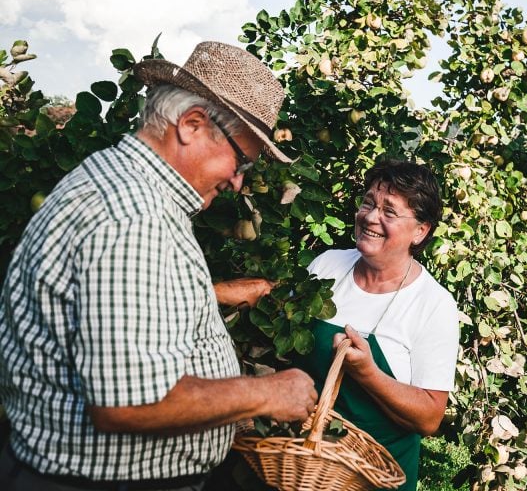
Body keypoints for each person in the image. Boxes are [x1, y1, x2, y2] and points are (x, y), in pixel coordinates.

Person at [0, 41, 318, 491]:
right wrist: (268, 392)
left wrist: (216, 294)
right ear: (191, 125)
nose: (238, 180)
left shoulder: (120, 183)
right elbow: (130, 403)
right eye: (241, 159)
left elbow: (113, 306)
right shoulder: (135, 216)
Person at [296, 160, 460, 491]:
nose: (371, 217)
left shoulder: (433, 305)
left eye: (389, 211)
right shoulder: (327, 266)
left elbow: (429, 417)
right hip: (304, 468)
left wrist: (369, 373)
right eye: (369, 202)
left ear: (420, 230)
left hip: (373, 478)